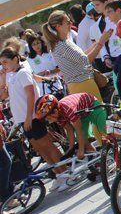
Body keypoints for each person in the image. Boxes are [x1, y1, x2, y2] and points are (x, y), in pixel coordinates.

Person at [0, 47, 68, 191]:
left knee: (48, 146)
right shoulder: (11, 76)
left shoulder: (23, 73)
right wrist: (3, 78)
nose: (4, 66)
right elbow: (4, 96)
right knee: (40, 149)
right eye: (1, 63)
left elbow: (30, 95)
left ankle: (65, 173)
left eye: (5, 62)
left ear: (15, 59)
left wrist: (29, 118)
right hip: (22, 119)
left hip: (31, 117)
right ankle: (58, 174)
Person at [42, 10, 109, 96]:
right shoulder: (62, 45)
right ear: (58, 26)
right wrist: (100, 43)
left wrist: (98, 42)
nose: (71, 23)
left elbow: (80, 56)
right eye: (67, 22)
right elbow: (86, 60)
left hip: (81, 84)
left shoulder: (63, 42)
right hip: (82, 84)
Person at [35, 93, 107, 162]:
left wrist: (81, 149)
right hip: (82, 114)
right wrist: (70, 149)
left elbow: (79, 130)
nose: (48, 120)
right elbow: (69, 130)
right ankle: (96, 160)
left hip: (92, 106)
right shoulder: (58, 117)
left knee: (103, 130)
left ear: (55, 111)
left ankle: (116, 148)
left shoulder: (67, 108)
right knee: (83, 140)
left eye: (48, 118)